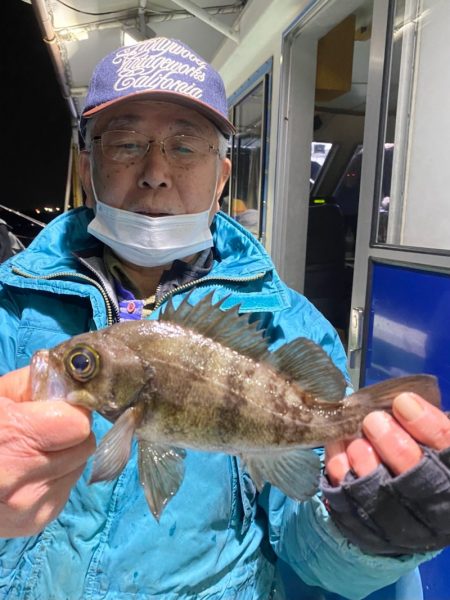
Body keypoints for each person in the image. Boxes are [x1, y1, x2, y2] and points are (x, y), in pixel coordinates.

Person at [0, 37, 450, 600]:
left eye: (185, 147)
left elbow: (305, 541)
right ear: (87, 168)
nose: (156, 171)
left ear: (221, 178)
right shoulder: (7, 307)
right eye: (126, 142)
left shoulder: (296, 328)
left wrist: (369, 530)